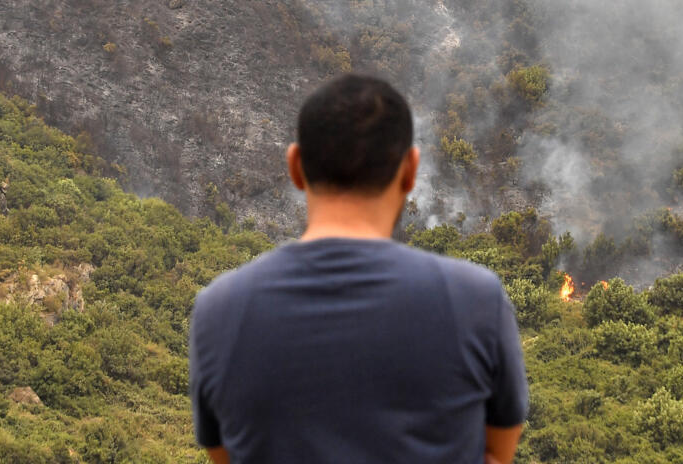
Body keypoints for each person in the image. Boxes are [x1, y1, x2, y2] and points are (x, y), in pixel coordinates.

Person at [189, 74, 529, 464]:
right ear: (410, 170)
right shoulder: (476, 300)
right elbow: (498, 454)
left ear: (295, 166)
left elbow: (225, 456)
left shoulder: (218, 311)